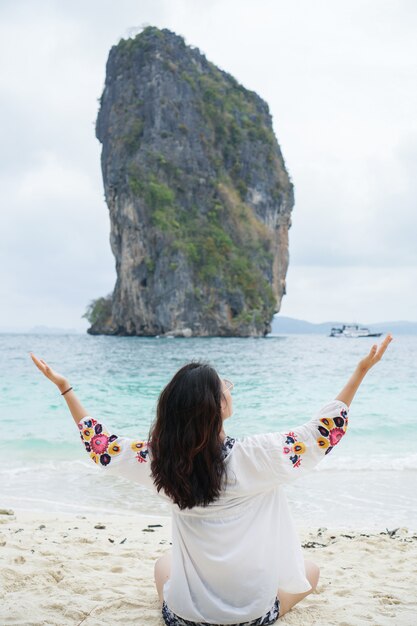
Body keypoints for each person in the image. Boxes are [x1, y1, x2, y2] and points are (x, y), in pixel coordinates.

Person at [30, 333, 393, 625]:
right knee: (309, 572)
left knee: (163, 565)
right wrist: (360, 372)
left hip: (183, 619)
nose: (230, 390)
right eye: (227, 387)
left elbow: (102, 447)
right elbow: (324, 432)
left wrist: (66, 389)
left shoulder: (160, 462)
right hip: (253, 618)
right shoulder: (258, 456)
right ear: (218, 406)